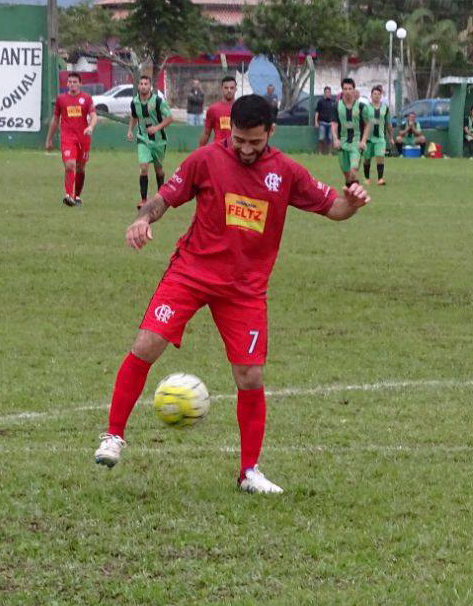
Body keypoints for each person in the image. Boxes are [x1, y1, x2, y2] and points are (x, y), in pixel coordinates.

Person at [93, 95, 370, 493]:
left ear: (270, 133)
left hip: (244, 289)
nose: (244, 148)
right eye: (238, 139)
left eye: (254, 142)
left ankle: (249, 472)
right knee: (146, 344)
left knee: (250, 375)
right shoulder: (205, 159)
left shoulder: (287, 172)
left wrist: (354, 203)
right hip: (191, 273)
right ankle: (113, 435)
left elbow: (335, 208)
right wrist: (141, 218)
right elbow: (164, 198)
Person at [45, 72, 97, 206]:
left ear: (80, 83)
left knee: (81, 168)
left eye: (75, 82)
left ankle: (77, 195)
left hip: (83, 138)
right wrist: (48, 139)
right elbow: (55, 119)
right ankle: (68, 195)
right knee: (70, 165)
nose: (72, 84)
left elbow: (93, 115)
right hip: (68, 138)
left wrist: (90, 126)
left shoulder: (86, 98)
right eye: (70, 82)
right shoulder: (61, 99)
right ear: (67, 83)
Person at [127, 74, 172, 209]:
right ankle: (144, 200)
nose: (143, 86)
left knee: (159, 170)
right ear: (138, 86)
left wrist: (156, 128)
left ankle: (160, 196)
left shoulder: (158, 101)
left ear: (150, 86)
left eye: (146, 84)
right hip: (143, 139)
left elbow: (170, 118)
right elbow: (134, 116)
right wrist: (130, 130)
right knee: (144, 167)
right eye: (141, 84)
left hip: (159, 141)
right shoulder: (134, 102)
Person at [330, 77, 368, 186]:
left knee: (353, 170)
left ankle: (356, 196)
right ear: (342, 90)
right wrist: (335, 139)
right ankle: (351, 197)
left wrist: (363, 141)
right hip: (342, 143)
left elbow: (368, 124)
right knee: (347, 175)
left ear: (354, 90)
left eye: (350, 89)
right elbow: (334, 124)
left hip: (356, 142)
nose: (347, 91)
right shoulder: (336, 106)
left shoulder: (361, 107)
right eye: (345, 89)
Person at [363, 84, 394, 185]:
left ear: (381, 96)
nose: (376, 95)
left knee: (380, 156)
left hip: (380, 138)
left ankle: (380, 179)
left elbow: (388, 123)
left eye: (378, 94)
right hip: (368, 138)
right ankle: (367, 178)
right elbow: (362, 123)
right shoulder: (366, 108)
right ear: (371, 96)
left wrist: (391, 137)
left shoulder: (385, 108)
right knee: (367, 159)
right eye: (374, 93)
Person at [199, 75, 237, 148]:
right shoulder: (213, 109)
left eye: (232, 88)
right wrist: (199, 150)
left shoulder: (241, 108)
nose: (229, 90)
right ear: (221, 89)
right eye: (226, 88)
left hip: (235, 150)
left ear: (235, 89)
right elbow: (206, 133)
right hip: (218, 149)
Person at [313, 86, 336, 155]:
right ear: (324, 93)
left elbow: (335, 113)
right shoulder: (320, 101)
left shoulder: (333, 102)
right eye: (326, 92)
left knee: (330, 138)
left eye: (329, 92)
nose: (327, 93)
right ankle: (320, 152)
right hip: (322, 123)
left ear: (330, 93)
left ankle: (330, 153)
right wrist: (316, 122)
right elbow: (317, 112)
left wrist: (334, 123)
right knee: (321, 138)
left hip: (331, 123)